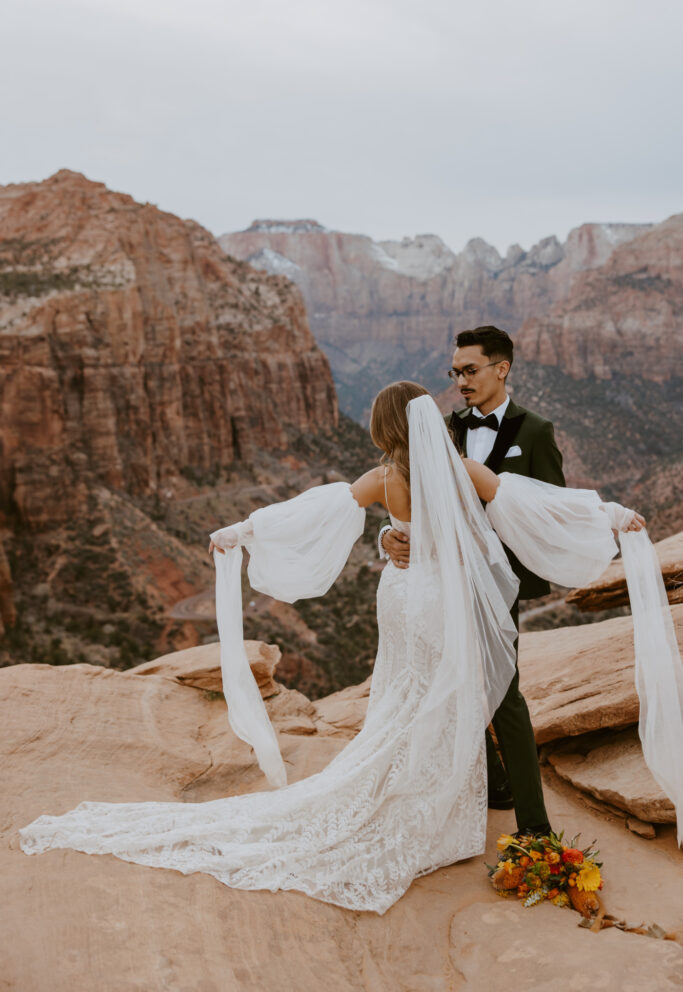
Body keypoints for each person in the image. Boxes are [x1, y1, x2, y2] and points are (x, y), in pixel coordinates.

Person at [21, 386, 677, 918]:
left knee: (406, 695)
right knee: (468, 697)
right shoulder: (460, 472)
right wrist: (613, 515)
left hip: (400, 601)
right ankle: (479, 811)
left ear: (385, 428)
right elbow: (542, 506)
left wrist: (244, 531)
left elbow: (314, 509)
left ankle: (451, 789)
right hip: (443, 600)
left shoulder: (385, 475)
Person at [379, 326, 565, 835]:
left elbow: (549, 510)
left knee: (505, 697)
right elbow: (403, 493)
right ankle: (495, 783)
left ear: (501, 369)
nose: (460, 380)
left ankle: (535, 831)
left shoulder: (535, 432)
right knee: (447, 681)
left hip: (497, 584)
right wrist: (388, 537)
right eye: (454, 372)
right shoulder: (437, 428)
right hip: (442, 582)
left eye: (470, 370)